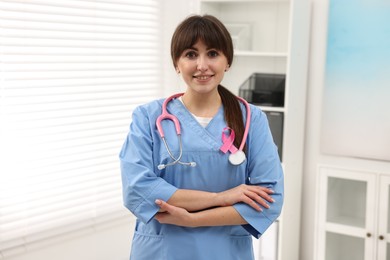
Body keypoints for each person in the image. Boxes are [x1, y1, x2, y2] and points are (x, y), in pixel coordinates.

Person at [119, 14, 284, 260]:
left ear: (227, 61)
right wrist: (221, 197)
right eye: (191, 54)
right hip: (163, 250)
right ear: (176, 63)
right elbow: (137, 189)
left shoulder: (252, 119)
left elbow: (269, 199)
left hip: (225, 251)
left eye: (213, 53)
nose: (202, 65)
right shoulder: (148, 118)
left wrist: (194, 220)